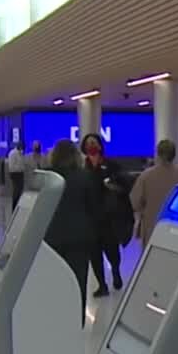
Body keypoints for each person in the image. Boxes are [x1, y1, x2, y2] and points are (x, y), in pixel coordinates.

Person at [43, 140, 101, 323]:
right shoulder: (84, 177)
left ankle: (54, 317)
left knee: (54, 280)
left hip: (52, 236)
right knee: (78, 280)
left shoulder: (47, 179)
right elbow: (94, 208)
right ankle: (77, 320)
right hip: (80, 237)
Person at [82, 133, 134, 296]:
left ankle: (116, 272)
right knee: (94, 253)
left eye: (94, 142)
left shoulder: (111, 165)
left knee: (111, 249)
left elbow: (125, 185)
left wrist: (113, 186)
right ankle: (102, 285)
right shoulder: (83, 169)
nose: (91, 145)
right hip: (91, 217)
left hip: (109, 216)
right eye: (88, 143)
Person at [130, 139, 178, 245]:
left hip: (152, 227)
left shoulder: (146, 176)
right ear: (174, 155)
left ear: (157, 153)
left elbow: (135, 203)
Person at [6, 142, 26, 210]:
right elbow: (11, 167)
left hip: (20, 174)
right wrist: (21, 168)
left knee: (20, 191)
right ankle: (14, 208)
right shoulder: (13, 153)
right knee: (16, 192)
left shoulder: (21, 153)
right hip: (15, 174)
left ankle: (18, 207)